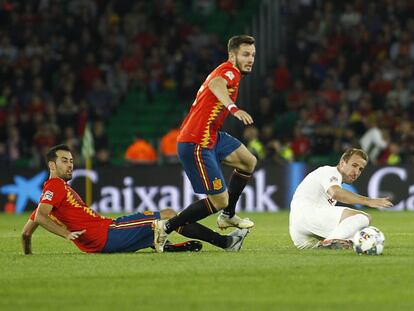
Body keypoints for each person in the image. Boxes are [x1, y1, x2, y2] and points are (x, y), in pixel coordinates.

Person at [21, 144, 250, 255]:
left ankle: (169, 245)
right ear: (52, 165)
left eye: (71, 160)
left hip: (108, 230)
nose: (70, 164)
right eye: (64, 160)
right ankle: (226, 244)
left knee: (165, 217)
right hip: (107, 234)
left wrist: (28, 254)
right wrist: (66, 235)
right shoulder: (55, 186)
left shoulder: (51, 194)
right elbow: (41, 216)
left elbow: (26, 232)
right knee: (169, 216)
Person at [152, 35, 257, 252]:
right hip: (197, 141)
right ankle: (166, 227)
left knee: (248, 161)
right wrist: (233, 108)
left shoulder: (227, 70)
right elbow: (216, 84)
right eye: (245, 54)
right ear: (232, 55)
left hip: (212, 135)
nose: (250, 59)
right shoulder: (230, 71)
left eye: (253, 55)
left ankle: (228, 216)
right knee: (219, 199)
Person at [289, 148, 393, 249]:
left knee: (353, 233)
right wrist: (369, 201)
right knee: (364, 218)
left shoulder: (331, 178)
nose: (356, 172)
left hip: (299, 231)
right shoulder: (329, 171)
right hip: (308, 215)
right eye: (354, 165)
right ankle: (330, 241)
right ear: (342, 163)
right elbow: (336, 193)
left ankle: (334, 243)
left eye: (360, 169)